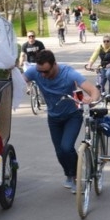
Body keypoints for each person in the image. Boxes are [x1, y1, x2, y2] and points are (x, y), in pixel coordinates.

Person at [22, 49, 101, 194]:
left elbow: (93, 90)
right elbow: (19, 81)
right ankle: (70, 174)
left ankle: (78, 177)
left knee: (66, 147)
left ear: (54, 65)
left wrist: (92, 99)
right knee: (59, 152)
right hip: (53, 117)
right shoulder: (35, 71)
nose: (42, 75)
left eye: (46, 71)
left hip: (72, 115)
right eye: (40, 71)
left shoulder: (68, 73)